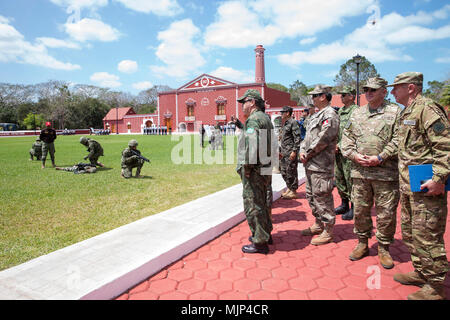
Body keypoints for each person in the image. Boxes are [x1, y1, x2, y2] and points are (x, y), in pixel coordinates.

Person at [388, 72, 450, 300]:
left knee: (428, 235)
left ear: (411, 88)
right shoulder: (408, 111)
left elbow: (445, 147)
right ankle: (423, 272)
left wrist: (440, 178)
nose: (393, 91)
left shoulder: (428, 109)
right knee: (411, 233)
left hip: (426, 185)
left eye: (397, 87)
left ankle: (436, 287)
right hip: (409, 185)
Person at [341, 77, 402, 269]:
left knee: (386, 213)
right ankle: (362, 243)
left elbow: (400, 139)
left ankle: (384, 248)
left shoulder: (395, 112)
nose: (369, 92)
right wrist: (353, 155)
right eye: (366, 89)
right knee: (360, 210)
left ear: (384, 91)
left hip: (385, 174)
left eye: (373, 90)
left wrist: (382, 157)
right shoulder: (357, 113)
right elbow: (346, 139)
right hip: (360, 173)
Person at [299, 84, 339, 246]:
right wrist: (302, 149)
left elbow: (323, 138)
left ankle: (328, 230)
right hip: (310, 164)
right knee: (311, 195)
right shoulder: (315, 115)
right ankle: (318, 223)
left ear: (323, 96)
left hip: (321, 165)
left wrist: (307, 153)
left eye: (314, 96)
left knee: (322, 196)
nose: (312, 99)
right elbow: (307, 137)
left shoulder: (330, 114)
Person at [236, 89, 274, 254]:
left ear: (252, 102)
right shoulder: (265, 118)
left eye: (244, 102)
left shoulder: (253, 120)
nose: (243, 106)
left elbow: (252, 146)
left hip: (255, 169)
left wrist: (247, 167)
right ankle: (266, 234)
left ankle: (260, 242)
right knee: (263, 203)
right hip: (265, 167)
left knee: (253, 204)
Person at [334, 86, 359, 220]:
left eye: (344, 95)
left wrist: (340, 144)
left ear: (351, 96)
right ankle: (344, 204)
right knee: (340, 178)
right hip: (338, 152)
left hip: (349, 152)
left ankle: (354, 207)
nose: (341, 97)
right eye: (341, 95)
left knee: (350, 179)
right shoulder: (341, 111)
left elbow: (353, 132)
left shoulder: (356, 111)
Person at [279, 106, 301, 199]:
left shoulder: (293, 122)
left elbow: (297, 138)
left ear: (287, 113)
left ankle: (293, 191)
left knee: (291, 171)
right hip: (284, 151)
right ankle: (289, 187)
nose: (281, 114)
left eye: (282, 112)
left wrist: (294, 151)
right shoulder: (286, 123)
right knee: (283, 170)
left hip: (290, 151)